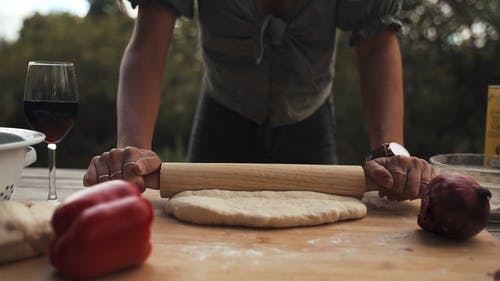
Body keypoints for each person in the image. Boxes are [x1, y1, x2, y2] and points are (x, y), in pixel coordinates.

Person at [83, 0, 435, 201]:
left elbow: (376, 46)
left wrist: (391, 154)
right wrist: (133, 154)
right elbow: (147, 49)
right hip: (221, 119)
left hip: (310, 124)